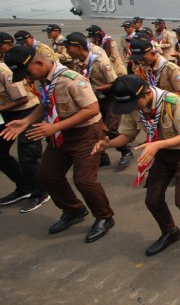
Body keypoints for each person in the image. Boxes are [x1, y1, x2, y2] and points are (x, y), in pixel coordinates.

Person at [1, 45, 115, 242]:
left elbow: (92, 109)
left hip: (86, 134)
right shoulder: (42, 80)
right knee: (46, 175)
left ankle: (104, 216)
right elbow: (45, 105)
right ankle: (73, 209)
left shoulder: (71, 79)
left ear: (38, 62)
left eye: (27, 72)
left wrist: (56, 127)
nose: (27, 78)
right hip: (60, 134)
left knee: (84, 180)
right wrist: (26, 121)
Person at [93, 75, 180, 255]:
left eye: (133, 104)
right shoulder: (134, 106)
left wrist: (156, 145)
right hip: (161, 151)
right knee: (153, 199)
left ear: (147, 93)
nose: (131, 109)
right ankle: (170, 231)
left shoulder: (172, 102)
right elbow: (128, 134)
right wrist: (108, 144)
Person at [65, 32, 133, 168]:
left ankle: (126, 151)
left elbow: (115, 82)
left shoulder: (101, 62)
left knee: (110, 128)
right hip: (94, 101)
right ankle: (102, 157)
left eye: (68, 48)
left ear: (78, 47)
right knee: (96, 128)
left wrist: (96, 88)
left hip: (111, 99)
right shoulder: (78, 63)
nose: (67, 51)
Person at [0, 37, 47, 213]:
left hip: (26, 111)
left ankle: (39, 192)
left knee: (28, 156)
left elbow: (23, 98)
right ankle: (23, 186)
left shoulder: (4, 70)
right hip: (5, 115)